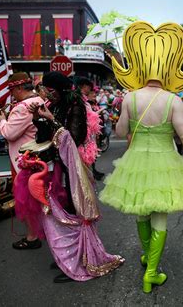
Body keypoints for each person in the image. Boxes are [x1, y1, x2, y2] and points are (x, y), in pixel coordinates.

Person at [99, 21, 183, 294]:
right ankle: (151, 270)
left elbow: (121, 130)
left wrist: (124, 119)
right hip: (164, 161)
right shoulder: (173, 100)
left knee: (141, 213)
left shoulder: (130, 98)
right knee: (159, 215)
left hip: (136, 161)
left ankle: (148, 257)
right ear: (166, 70)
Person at [17, 72, 124, 283]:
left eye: (50, 90)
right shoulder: (52, 104)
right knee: (63, 211)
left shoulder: (75, 105)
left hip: (73, 169)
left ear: (60, 89)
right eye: (45, 90)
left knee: (76, 211)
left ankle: (84, 260)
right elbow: (44, 137)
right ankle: (70, 256)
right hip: (58, 166)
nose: (47, 94)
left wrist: (51, 118)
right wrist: (39, 118)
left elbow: (73, 138)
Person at [0, 72, 44, 250]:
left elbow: (9, 133)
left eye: (12, 90)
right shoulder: (38, 100)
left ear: (19, 88)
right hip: (36, 158)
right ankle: (39, 233)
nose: (11, 94)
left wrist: (1, 121)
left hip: (24, 161)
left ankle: (32, 237)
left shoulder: (23, 107)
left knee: (27, 201)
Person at [76, 77, 105, 180]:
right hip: (84, 138)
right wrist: (97, 114)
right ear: (84, 87)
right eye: (89, 88)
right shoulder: (80, 101)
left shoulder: (83, 101)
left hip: (87, 137)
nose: (90, 91)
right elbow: (89, 118)